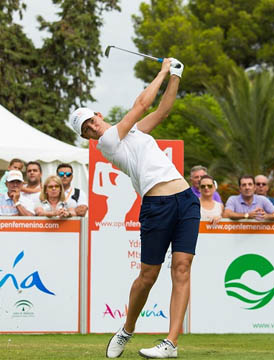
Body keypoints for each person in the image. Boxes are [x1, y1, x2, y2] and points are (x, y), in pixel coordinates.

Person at [69, 57, 196, 359]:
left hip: (186, 200)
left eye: (92, 121)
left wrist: (176, 74)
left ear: (98, 114)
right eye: (87, 130)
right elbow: (141, 104)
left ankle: (171, 343)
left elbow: (162, 111)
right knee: (148, 276)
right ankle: (127, 329)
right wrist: (163, 70)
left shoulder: (136, 133)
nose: (92, 129)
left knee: (181, 269)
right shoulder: (108, 143)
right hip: (156, 204)